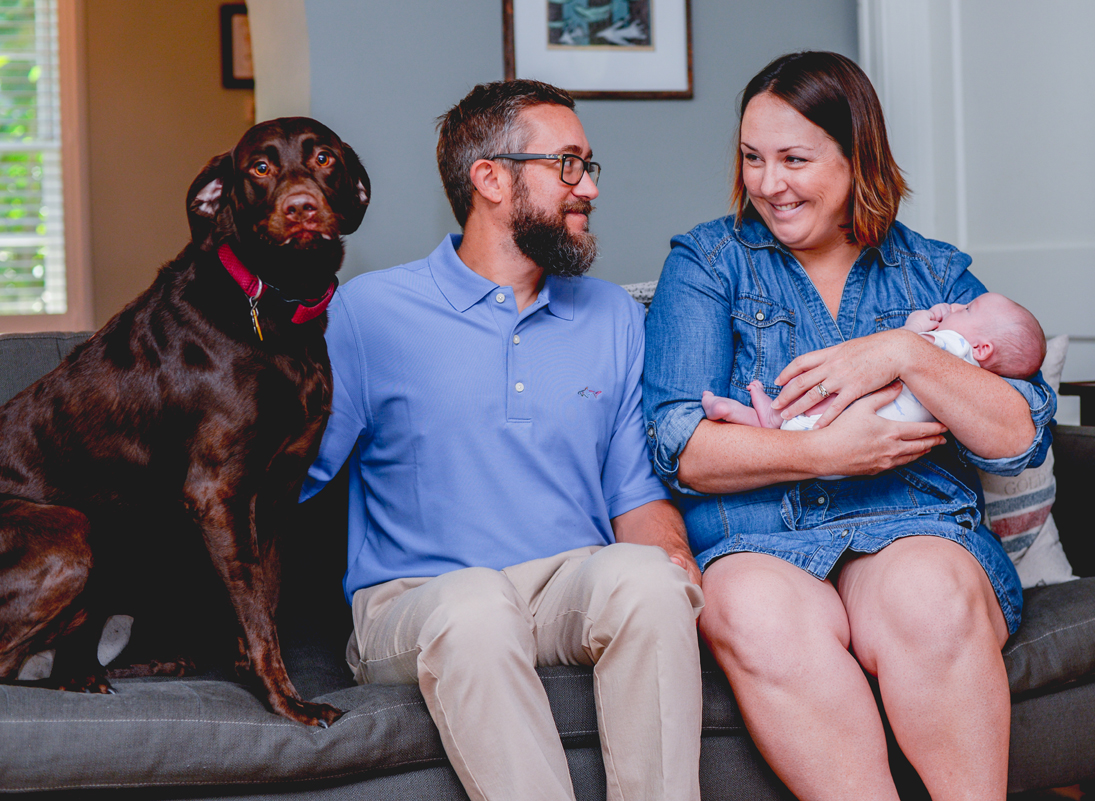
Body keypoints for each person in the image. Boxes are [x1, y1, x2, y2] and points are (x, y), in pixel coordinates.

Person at [642, 52, 1055, 801]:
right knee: (752, 606)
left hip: (913, 524)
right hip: (761, 536)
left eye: (795, 159)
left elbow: (1020, 433)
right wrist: (820, 450)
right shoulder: (709, 262)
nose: (769, 184)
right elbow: (681, 446)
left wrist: (899, 352)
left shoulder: (930, 273)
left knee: (926, 593)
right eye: (753, 158)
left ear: (855, 155)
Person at [301, 79, 704, 801]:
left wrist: (683, 578)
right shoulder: (369, 312)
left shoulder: (612, 314)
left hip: (562, 586)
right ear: (490, 178)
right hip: (417, 600)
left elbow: (635, 496)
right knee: (478, 603)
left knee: (648, 581)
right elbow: (289, 474)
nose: (589, 188)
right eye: (568, 165)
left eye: (589, 166)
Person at [702, 291, 1047, 432]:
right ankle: (749, 413)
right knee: (797, 427)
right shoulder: (974, 375)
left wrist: (913, 325)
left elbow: (910, 346)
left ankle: (762, 411)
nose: (956, 306)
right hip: (877, 423)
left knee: (814, 407)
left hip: (865, 419)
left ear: (983, 349)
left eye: (968, 309)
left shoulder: (957, 348)